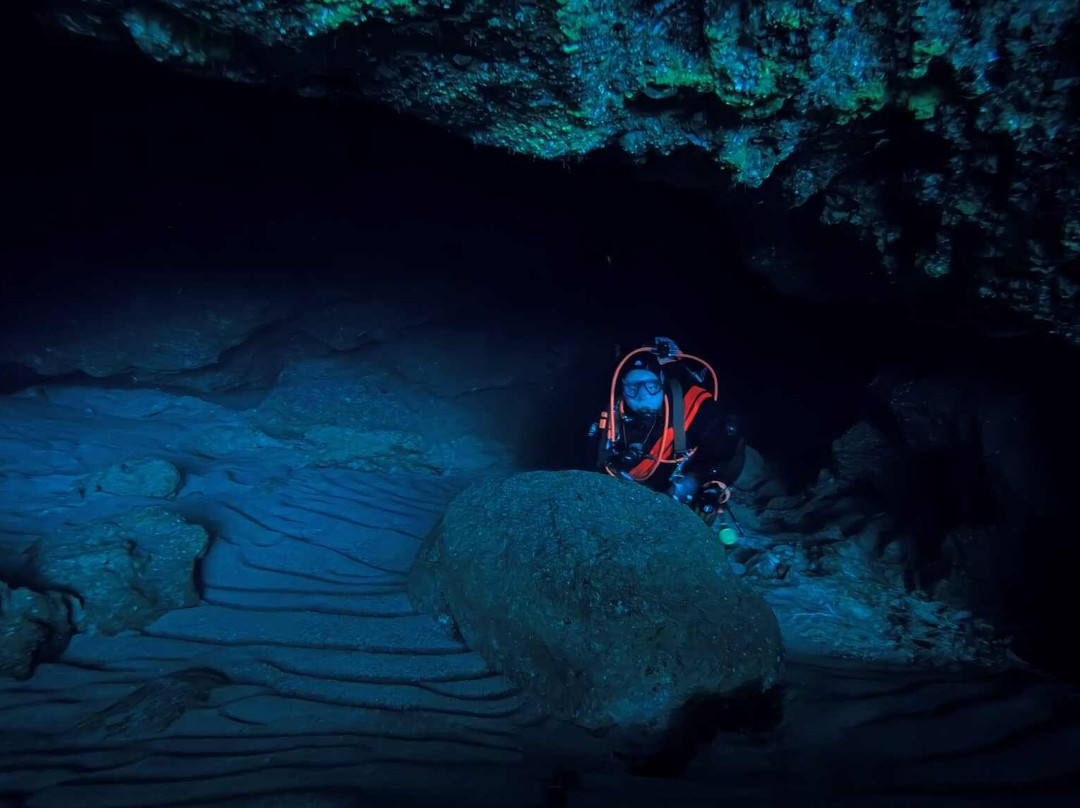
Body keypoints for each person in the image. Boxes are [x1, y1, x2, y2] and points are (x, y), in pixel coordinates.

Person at [589, 337, 746, 529]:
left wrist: (712, 483)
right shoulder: (610, 415)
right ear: (622, 388)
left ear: (662, 383)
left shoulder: (695, 408)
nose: (643, 395)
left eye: (651, 386)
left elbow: (729, 447)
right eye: (632, 388)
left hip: (678, 483)